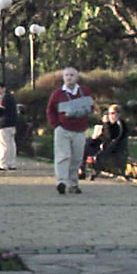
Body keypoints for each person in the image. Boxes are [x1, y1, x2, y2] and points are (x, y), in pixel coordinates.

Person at [46, 66, 93, 195]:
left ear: (77, 77)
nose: (69, 77)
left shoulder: (84, 91)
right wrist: (56, 125)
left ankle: (73, 183)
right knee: (63, 156)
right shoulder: (57, 94)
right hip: (63, 129)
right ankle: (61, 181)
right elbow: (50, 110)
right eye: (66, 75)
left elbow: (90, 106)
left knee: (76, 158)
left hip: (79, 129)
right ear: (63, 77)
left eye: (72, 75)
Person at [90, 104, 129, 179]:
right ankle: (86, 170)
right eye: (109, 113)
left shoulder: (121, 124)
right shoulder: (108, 124)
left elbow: (111, 136)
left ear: (118, 114)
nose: (111, 116)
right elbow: (104, 136)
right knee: (89, 147)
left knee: (101, 155)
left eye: (113, 113)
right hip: (106, 146)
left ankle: (121, 172)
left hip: (117, 148)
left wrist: (106, 124)